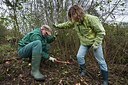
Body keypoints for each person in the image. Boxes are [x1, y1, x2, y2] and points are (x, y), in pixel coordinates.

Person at [53, 5, 108, 85]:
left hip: (95, 42)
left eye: (73, 15)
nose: (72, 18)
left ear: (78, 13)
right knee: (79, 56)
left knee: (101, 61)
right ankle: (83, 70)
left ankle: (105, 80)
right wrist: (57, 26)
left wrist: (96, 44)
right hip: (84, 43)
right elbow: (67, 24)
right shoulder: (75, 21)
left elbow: (101, 32)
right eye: (71, 16)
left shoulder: (91, 19)